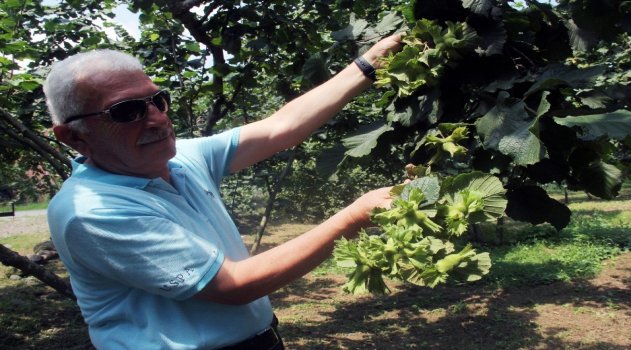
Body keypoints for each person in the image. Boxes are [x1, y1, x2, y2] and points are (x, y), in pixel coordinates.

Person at [43, 33, 402, 349]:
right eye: (127, 112)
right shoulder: (91, 211)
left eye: (157, 101)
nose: (156, 118)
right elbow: (233, 285)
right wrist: (357, 214)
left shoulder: (181, 158)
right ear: (74, 136)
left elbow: (281, 128)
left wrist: (368, 65)